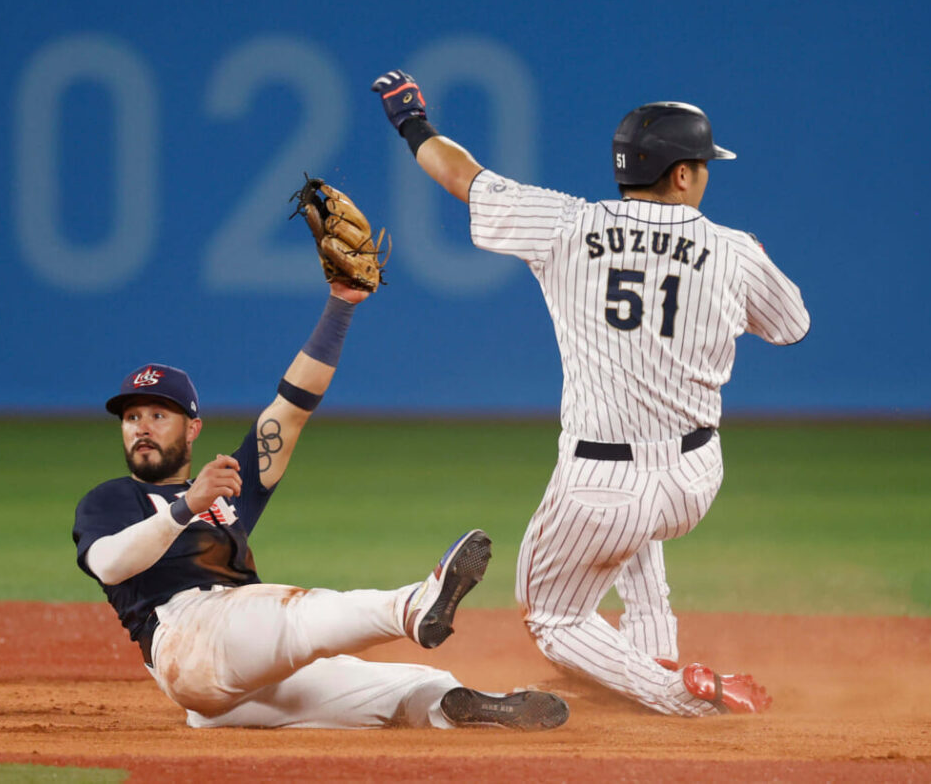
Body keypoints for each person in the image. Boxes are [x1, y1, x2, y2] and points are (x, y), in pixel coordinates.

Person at [371, 70, 810, 716]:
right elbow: (792, 325)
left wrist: (412, 122)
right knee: (636, 543)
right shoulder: (733, 250)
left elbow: (464, 177)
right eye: (704, 164)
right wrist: (743, 264)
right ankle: (652, 653)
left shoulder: (566, 224)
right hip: (694, 474)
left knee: (552, 616)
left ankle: (677, 694)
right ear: (682, 175)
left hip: (601, 485)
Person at [72, 278, 568, 730]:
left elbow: (290, 408)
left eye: (159, 414)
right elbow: (111, 565)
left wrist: (342, 305)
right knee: (295, 614)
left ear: (193, 428)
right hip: (186, 641)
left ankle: (461, 707)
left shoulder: (224, 485)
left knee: (412, 685)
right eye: (132, 416)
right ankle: (413, 607)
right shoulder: (113, 498)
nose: (141, 426)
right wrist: (185, 506)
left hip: (236, 681)